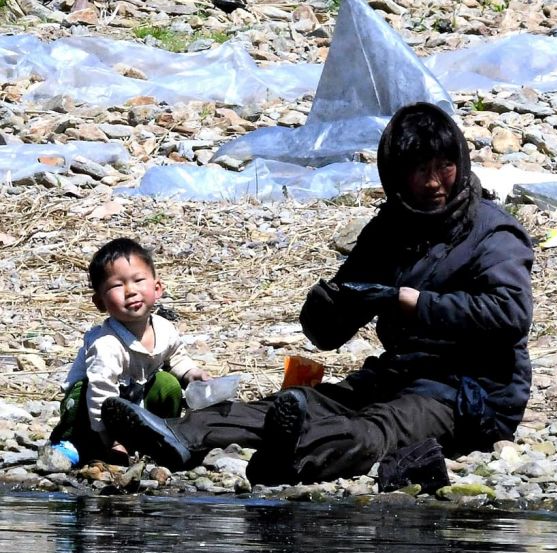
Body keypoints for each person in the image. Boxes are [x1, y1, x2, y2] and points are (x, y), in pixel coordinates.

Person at [100, 102, 533, 489]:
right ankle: (181, 435)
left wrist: (410, 301)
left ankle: (296, 457)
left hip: (470, 395)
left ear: (461, 160)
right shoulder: (391, 229)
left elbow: (510, 315)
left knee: (376, 427)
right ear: (396, 175)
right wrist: (328, 308)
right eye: (420, 171)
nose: (435, 183)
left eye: (444, 167)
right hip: (400, 374)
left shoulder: (492, 232)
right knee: (300, 403)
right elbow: (327, 333)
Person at [49, 237, 209, 465]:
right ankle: (75, 442)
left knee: (168, 384)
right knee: (81, 394)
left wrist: (193, 374)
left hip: (134, 398)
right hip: (93, 408)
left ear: (157, 288)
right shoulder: (106, 343)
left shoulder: (164, 329)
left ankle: (164, 436)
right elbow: (100, 396)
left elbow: (176, 358)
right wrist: (111, 442)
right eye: (116, 285)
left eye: (138, 280)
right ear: (100, 302)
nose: (130, 291)